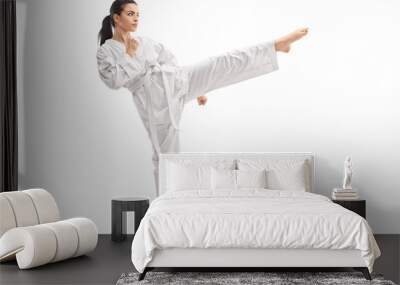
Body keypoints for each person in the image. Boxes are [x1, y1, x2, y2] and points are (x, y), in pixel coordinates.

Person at [96, 0, 309, 195]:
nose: (136, 19)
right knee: (165, 155)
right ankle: (167, 204)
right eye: (131, 14)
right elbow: (114, 80)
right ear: (117, 18)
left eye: (138, 15)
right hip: (154, 101)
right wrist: (130, 56)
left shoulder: (144, 41)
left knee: (220, 63)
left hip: (177, 80)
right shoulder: (106, 52)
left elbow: (167, 57)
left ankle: (274, 47)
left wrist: (196, 88)